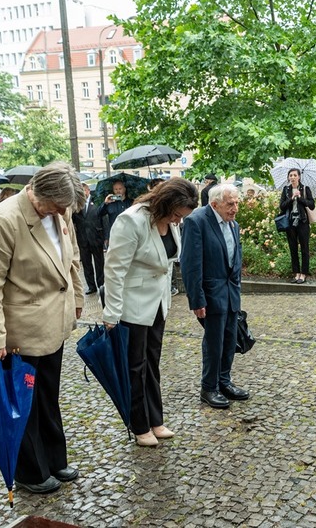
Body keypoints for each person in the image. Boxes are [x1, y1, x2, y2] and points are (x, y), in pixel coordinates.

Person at [0, 161, 86, 494]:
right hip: (18, 332)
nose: (61, 213)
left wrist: (77, 298)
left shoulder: (60, 211)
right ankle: (31, 472)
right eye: (56, 206)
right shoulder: (4, 219)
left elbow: (72, 259)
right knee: (22, 405)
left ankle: (54, 459)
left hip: (53, 325)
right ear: (37, 192)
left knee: (48, 397)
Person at [102, 178, 198, 447]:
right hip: (132, 305)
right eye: (177, 215)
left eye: (182, 217)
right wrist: (112, 312)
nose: (179, 221)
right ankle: (139, 425)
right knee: (135, 367)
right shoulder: (131, 220)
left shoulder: (170, 221)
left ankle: (155, 419)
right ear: (165, 204)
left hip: (157, 304)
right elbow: (114, 270)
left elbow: (167, 262)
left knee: (152, 362)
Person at [180, 183, 248, 410]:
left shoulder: (233, 223)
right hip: (210, 295)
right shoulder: (196, 221)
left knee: (229, 340)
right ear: (215, 204)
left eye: (237, 203)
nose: (235, 208)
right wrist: (197, 299)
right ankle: (208, 387)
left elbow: (235, 257)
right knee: (214, 343)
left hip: (230, 293)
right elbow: (191, 265)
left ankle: (224, 381)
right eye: (230, 204)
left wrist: (237, 287)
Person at [279, 168, 315, 284]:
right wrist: (291, 198)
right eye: (290, 175)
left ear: (299, 177)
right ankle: (296, 273)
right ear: (288, 177)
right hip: (290, 222)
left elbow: (312, 205)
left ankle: (303, 274)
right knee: (293, 248)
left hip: (302, 222)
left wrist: (300, 198)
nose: (293, 177)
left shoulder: (305, 188)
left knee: (304, 248)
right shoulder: (286, 190)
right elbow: (282, 206)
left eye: (295, 175)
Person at [72, 183, 104, 295]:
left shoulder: (97, 202)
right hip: (83, 240)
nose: (81, 193)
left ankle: (101, 285)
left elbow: (103, 219)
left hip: (96, 238)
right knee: (86, 264)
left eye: (83, 191)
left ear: (88, 191)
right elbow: (73, 221)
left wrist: (105, 237)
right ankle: (91, 286)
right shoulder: (76, 205)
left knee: (99, 264)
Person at [97, 179, 133, 246]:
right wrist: (105, 203)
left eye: (120, 188)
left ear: (124, 189)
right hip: (115, 235)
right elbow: (99, 214)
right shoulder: (110, 203)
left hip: (129, 235)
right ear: (113, 190)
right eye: (115, 189)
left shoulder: (131, 202)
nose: (118, 191)